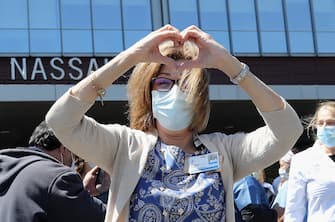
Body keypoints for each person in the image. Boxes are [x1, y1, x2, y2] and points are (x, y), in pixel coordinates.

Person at [45, 25, 303, 222]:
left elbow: (287, 130)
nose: (176, 92)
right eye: (164, 82)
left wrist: (230, 65)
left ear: (199, 94)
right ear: (148, 91)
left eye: (185, 83)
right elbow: (61, 120)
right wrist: (129, 58)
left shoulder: (224, 151)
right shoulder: (123, 146)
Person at [0, 121, 106, 222]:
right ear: (64, 149)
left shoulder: (6, 165)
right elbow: (102, 217)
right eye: (73, 153)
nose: (73, 161)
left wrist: (82, 193)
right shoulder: (58, 176)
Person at [285, 101, 335, 221]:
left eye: (330, 123)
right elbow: (294, 211)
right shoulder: (303, 161)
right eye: (320, 123)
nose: (324, 127)